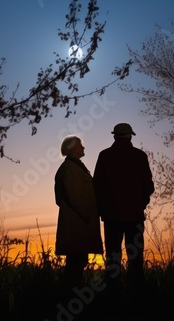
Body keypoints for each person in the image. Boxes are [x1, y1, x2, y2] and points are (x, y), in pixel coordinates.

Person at [93, 123, 154, 293]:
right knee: (135, 256)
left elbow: (97, 186)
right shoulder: (140, 156)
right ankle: (136, 293)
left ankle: (112, 294)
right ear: (130, 136)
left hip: (111, 217)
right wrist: (141, 203)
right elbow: (148, 186)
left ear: (114, 136)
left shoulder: (104, 156)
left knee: (113, 256)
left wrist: (103, 209)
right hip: (134, 216)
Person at [54, 135, 104, 289]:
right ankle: (70, 296)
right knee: (75, 262)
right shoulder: (70, 168)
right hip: (77, 224)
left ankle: (71, 294)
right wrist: (88, 214)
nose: (83, 148)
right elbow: (76, 196)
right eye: (80, 145)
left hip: (79, 223)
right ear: (71, 148)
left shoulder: (73, 166)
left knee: (77, 261)